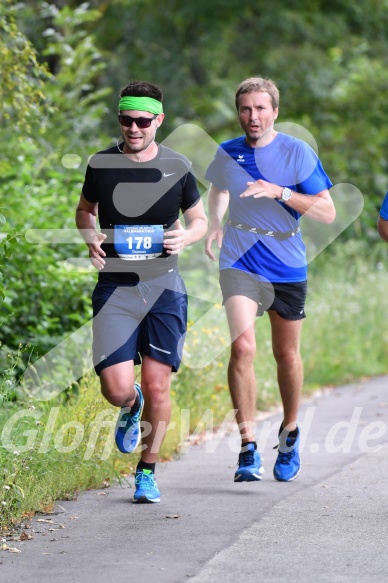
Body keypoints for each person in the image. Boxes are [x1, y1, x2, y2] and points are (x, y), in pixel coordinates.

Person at [76, 80, 207, 503]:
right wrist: (90, 235)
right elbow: (84, 210)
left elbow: (200, 221)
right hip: (115, 287)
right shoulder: (100, 164)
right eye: (126, 120)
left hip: (164, 289)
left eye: (142, 121)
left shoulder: (178, 166)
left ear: (158, 121)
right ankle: (129, 407)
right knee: (116, 389)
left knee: (158, 386)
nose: (133, 129)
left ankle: (146, 473)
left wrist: (185, 238)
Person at [205, 77, 335, 483]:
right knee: (243, 347)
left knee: (286, 356)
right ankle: (247, 447)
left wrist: (280, 192)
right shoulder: (228, 152)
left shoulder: (297, 152)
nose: (253, 116)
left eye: (261, 108)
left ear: (275, 111)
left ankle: (290, 430)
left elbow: (327, 211)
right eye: (245, 109)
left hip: (286, 262)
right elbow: (218, 188)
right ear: (238, 112)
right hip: (240, 261)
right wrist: (214, 222)